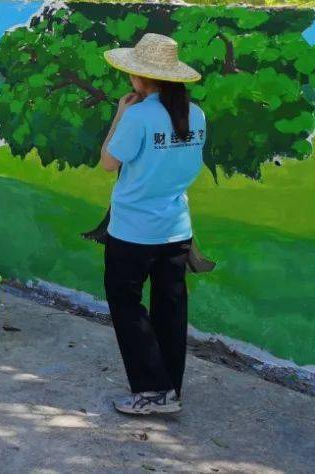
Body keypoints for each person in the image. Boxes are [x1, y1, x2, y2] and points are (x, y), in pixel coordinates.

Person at [98, 33, 206, 417]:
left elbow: (109, 163)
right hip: (176, 229)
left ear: (140, 78)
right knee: (170, 309)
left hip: (133, 232)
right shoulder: (196, 114)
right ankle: (170, 387)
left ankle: (153, 391)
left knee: (126, 303)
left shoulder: (139, 115)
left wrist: (119, 115)